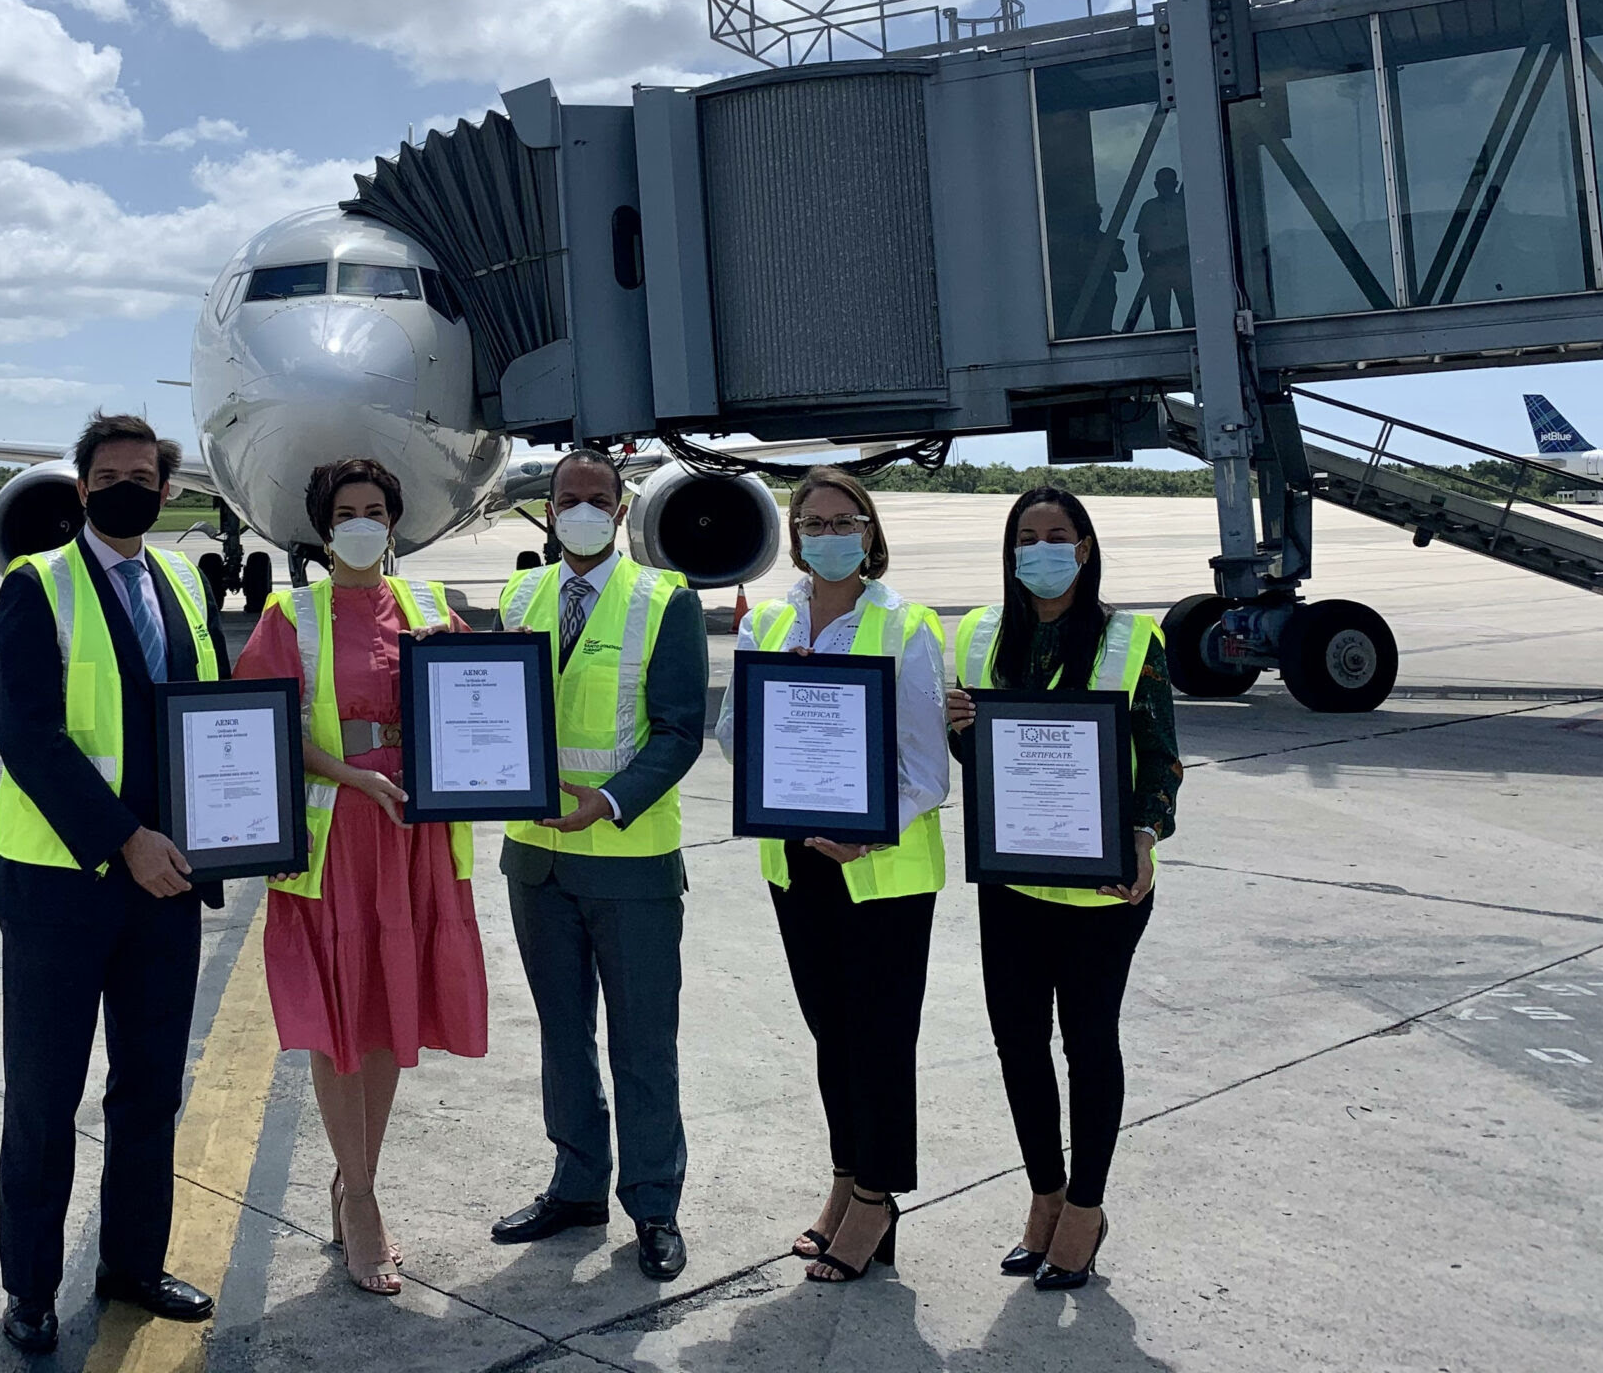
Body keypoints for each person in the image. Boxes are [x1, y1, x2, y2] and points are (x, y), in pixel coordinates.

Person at [0, 413, 229, 1356]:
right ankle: (31, 1287)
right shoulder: (36, 584)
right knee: (45, 1097)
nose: (130, 487)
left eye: (146, 475)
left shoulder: (179, 581)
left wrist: (242, 830)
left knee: (150, 1092)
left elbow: (207, 721)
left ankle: (132, 1261)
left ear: (167, 491)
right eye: (110, 474)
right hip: (61, 888)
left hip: (167, 887)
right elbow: (31, 736)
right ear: (81, 489)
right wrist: (126, 839)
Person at [236, 458, 489, 1297]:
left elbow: (468, 712)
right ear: (321, 524)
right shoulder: (289, 613)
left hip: (413, 835)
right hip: (338, 837)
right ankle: (367, 1200)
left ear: (395, 522)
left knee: (387, 1014)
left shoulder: (430, 609)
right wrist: (354, 777)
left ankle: (355, 1179)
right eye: (346, 511)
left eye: (376, 510)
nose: (362, 523)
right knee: (344, 1020)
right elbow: (264, 722)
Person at [944, 487, 1183, 1292]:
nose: (1039, 550)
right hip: (1012, 879)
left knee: (1088, 1043)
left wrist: (1145, 840)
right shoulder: (980, 635)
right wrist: (960, 730)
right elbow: (980, 763)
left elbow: (1160, 762)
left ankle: (1086, 1208)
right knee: (1016, 1041)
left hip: (1099, 886)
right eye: (1026, 537)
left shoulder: (1128, 637)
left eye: (1056, 536)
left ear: (1084, 548)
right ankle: (1044, 1196)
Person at [713, 467, 947, 1284]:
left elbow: (927, 770)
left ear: (870, 533)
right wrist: (786, 779)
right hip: (797, 861)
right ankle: (847, 1177)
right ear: (797, 537)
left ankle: (879, 1200)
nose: (829, 534)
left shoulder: (907, 625)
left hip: (882, 870)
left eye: (844, 520)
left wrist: (868, 832)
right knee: (830, 1035)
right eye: (812, 522)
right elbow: (736, 736)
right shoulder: (766, 625)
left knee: (881, 1038)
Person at [488, 449, 708, 1283]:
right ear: (547, 511)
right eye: (566, 498)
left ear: (619, 513)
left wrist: (608, 800)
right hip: (536, 859)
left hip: (630, 858)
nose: (579, 510)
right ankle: (575, 1182)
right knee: (562, 1035)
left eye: (596, 499)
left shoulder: (664, 599)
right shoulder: (520, 596)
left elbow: (680, 731)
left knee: (644, 1042)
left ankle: (653, 1204)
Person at [1131, 166, 1193, 330]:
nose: (1165, 186)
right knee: (1160, 314)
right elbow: (1142, 241)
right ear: (1156, 185)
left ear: (1175, 183)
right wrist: (1147, 267)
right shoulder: (1148, 208)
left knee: (1190, 313)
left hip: (1182, 263)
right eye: (1162, 183)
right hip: (1158, 264)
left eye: (1168, 183)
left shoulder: (1186, 206)